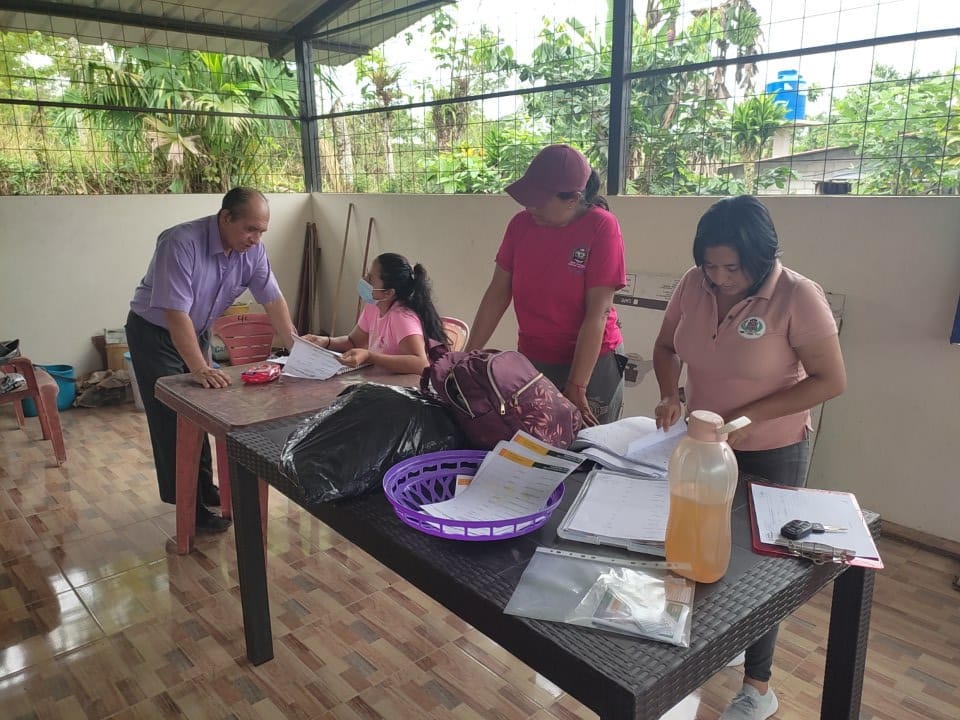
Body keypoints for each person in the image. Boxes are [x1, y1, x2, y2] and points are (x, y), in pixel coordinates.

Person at [652, 195, 847, 720]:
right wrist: (670, 394)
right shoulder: (694, 285)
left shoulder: (797, 296)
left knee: (765, 568)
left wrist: (748, 418)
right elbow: (666, 348)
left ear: (760, 258)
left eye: (732, 268)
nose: (719, 279)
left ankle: (758, 688)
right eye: (709, 266)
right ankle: (723, 641)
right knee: (703, 543)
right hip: (704, 450)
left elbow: (831, 380)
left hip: (773, 450)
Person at [126, 187, 296, 533]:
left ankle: (202, 489)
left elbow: (273, 300)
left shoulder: (253, 251)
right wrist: (200, 367)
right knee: (173, 416)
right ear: (225, 218)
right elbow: (175, 313)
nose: (256, 238)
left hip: (197, 330)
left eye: (262, 231)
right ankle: (189, 508)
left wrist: (297, 346)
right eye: (250, 229)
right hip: (155, 333)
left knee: (201, 412)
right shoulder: (180, 243)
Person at [466, 144, 627, 425]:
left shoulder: (601, 226)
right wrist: (467, 355)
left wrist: (577, 385)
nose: (530, 208)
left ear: (573, 199)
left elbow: (598, 313)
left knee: (588, 443)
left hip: (592, 363)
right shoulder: (520, 225)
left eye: (540, 202)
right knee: (535, 441)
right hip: (535, 358)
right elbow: (497, 293)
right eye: (528, 200)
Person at [303, 252, 447, 374]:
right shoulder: (373, 307)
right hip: (382, 381)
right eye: (367, 274)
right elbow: (353, 341)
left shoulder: (402, 317)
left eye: (370, 278)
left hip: (406, 389)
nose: (364, 279)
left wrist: (370, 356)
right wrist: (325, 341)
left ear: (388, 293)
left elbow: (420, 364)